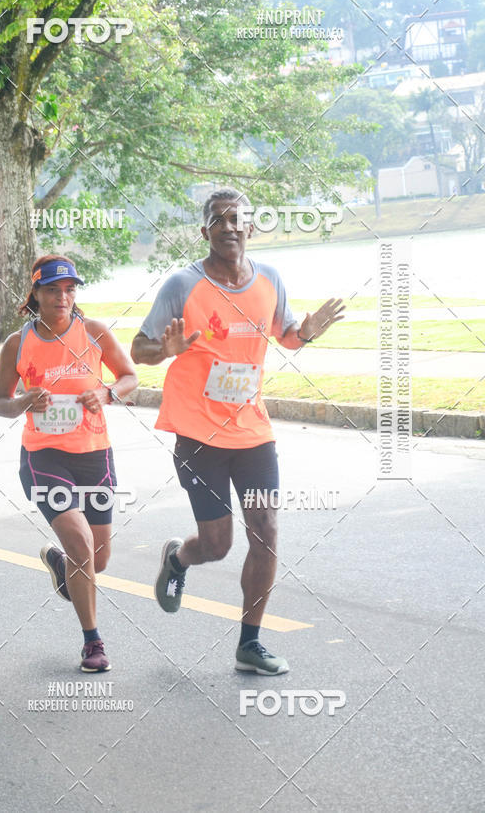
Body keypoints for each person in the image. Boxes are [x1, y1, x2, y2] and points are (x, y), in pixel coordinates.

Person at [130, 188, 344, 675]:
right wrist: (167, 349)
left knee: (266, 531)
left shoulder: (270, 279)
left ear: (250, 227)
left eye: (236, 219)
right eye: (217, 219)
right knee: (217, 545)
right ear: (204, 231)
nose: (228, 226)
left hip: (252, 431)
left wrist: (307, 331)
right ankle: (179, 559)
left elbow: (287, 334)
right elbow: (139, 349)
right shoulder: (182, 285)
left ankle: (250, 643)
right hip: (197, 435)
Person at [0, 254, 137, 672]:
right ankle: (93, 642)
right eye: (53, 290)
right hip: (44, 456)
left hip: (95, 454)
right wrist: (23, 401)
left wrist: (106, 393)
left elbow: (130, 377)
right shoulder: (17, 343)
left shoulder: (94, 333)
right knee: (80, 543)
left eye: (70, 289)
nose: (63, 297)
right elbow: (0, 402)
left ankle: (61, 564)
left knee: (97, 558)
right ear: (36, 294)